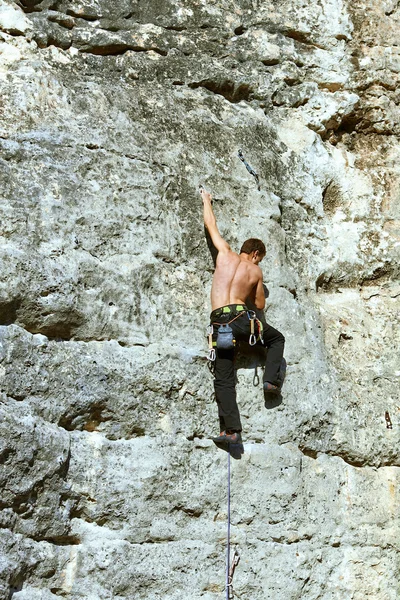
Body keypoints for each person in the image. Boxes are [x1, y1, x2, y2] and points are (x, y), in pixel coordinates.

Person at [201, 187, 285, 443]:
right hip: (241, 320)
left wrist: (207, 200)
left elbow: (210, 224)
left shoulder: (224, 254)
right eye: (260, 259)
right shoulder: (254, 271)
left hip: (219, 324)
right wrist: (251, 283)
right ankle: (270, 382)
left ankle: (231, 431)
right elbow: (258, 303)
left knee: (224, 378)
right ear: (256, 254)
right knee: (276, 338)